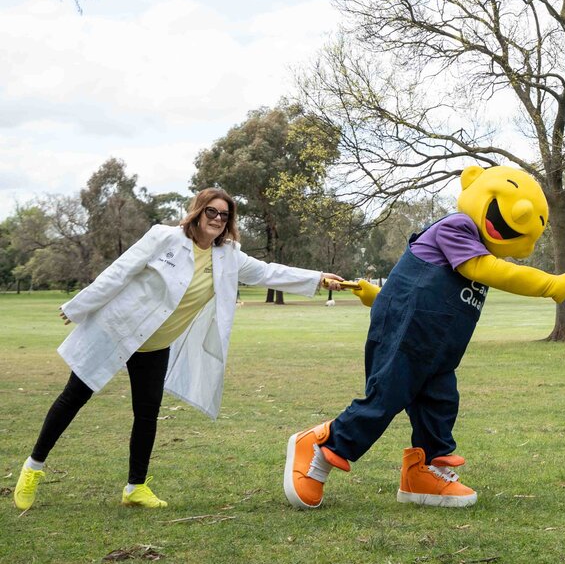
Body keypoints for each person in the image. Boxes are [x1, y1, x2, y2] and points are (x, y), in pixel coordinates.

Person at [13, 188, 343, 510]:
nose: (217, 219)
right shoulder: (164, 238)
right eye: (211, 211)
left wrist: (317, 279)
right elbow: (121, 270)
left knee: (146, 415)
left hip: (155, 346)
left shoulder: (228, 256)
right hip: (119, 330)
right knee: (73, 398)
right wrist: (79, 306)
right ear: (198, 212)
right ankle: (33, 468)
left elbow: (269, 272)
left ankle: (135, 488)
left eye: (224, 215)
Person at [283, 165, 565, 509]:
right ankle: (320, 445)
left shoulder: (477, 250)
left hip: (438, 349)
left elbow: (422, 287)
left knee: (439, 404)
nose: (523, 213)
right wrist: (549, 284)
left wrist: (378, 295)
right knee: (386, 397)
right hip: (408, 337)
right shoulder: (457, 227)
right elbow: (477, 271)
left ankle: (422, 473)